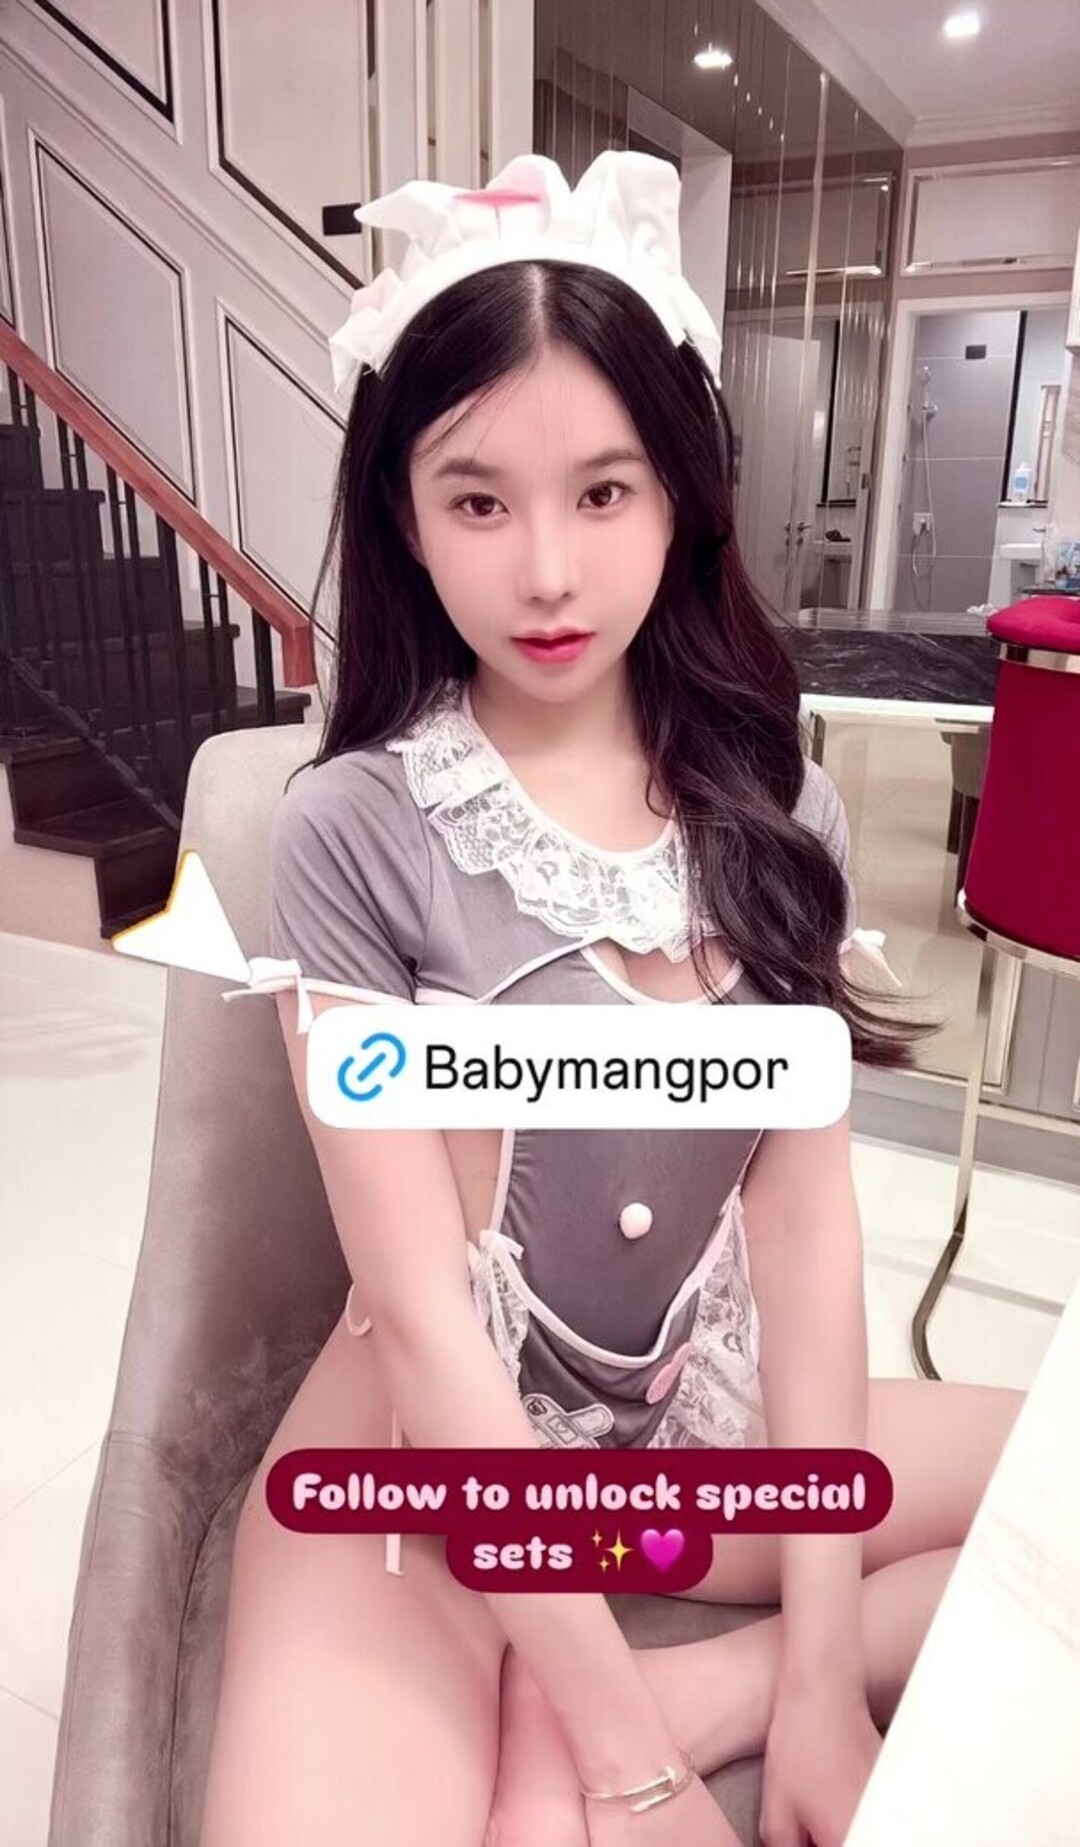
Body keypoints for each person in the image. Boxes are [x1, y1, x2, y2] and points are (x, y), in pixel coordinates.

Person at [197, 151, 1024, 1847]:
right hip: (426, 1475)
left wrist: (808, 1682)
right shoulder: (354, 829)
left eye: (603, 492)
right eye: (478, 501)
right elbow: (421, 1313)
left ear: (681, 498)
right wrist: (626, 1771)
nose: (549, 575)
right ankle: (572, 1699)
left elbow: (806, 1240)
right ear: (404, 519)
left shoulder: (777, 816)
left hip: (674, 1450)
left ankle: (722, 1679)